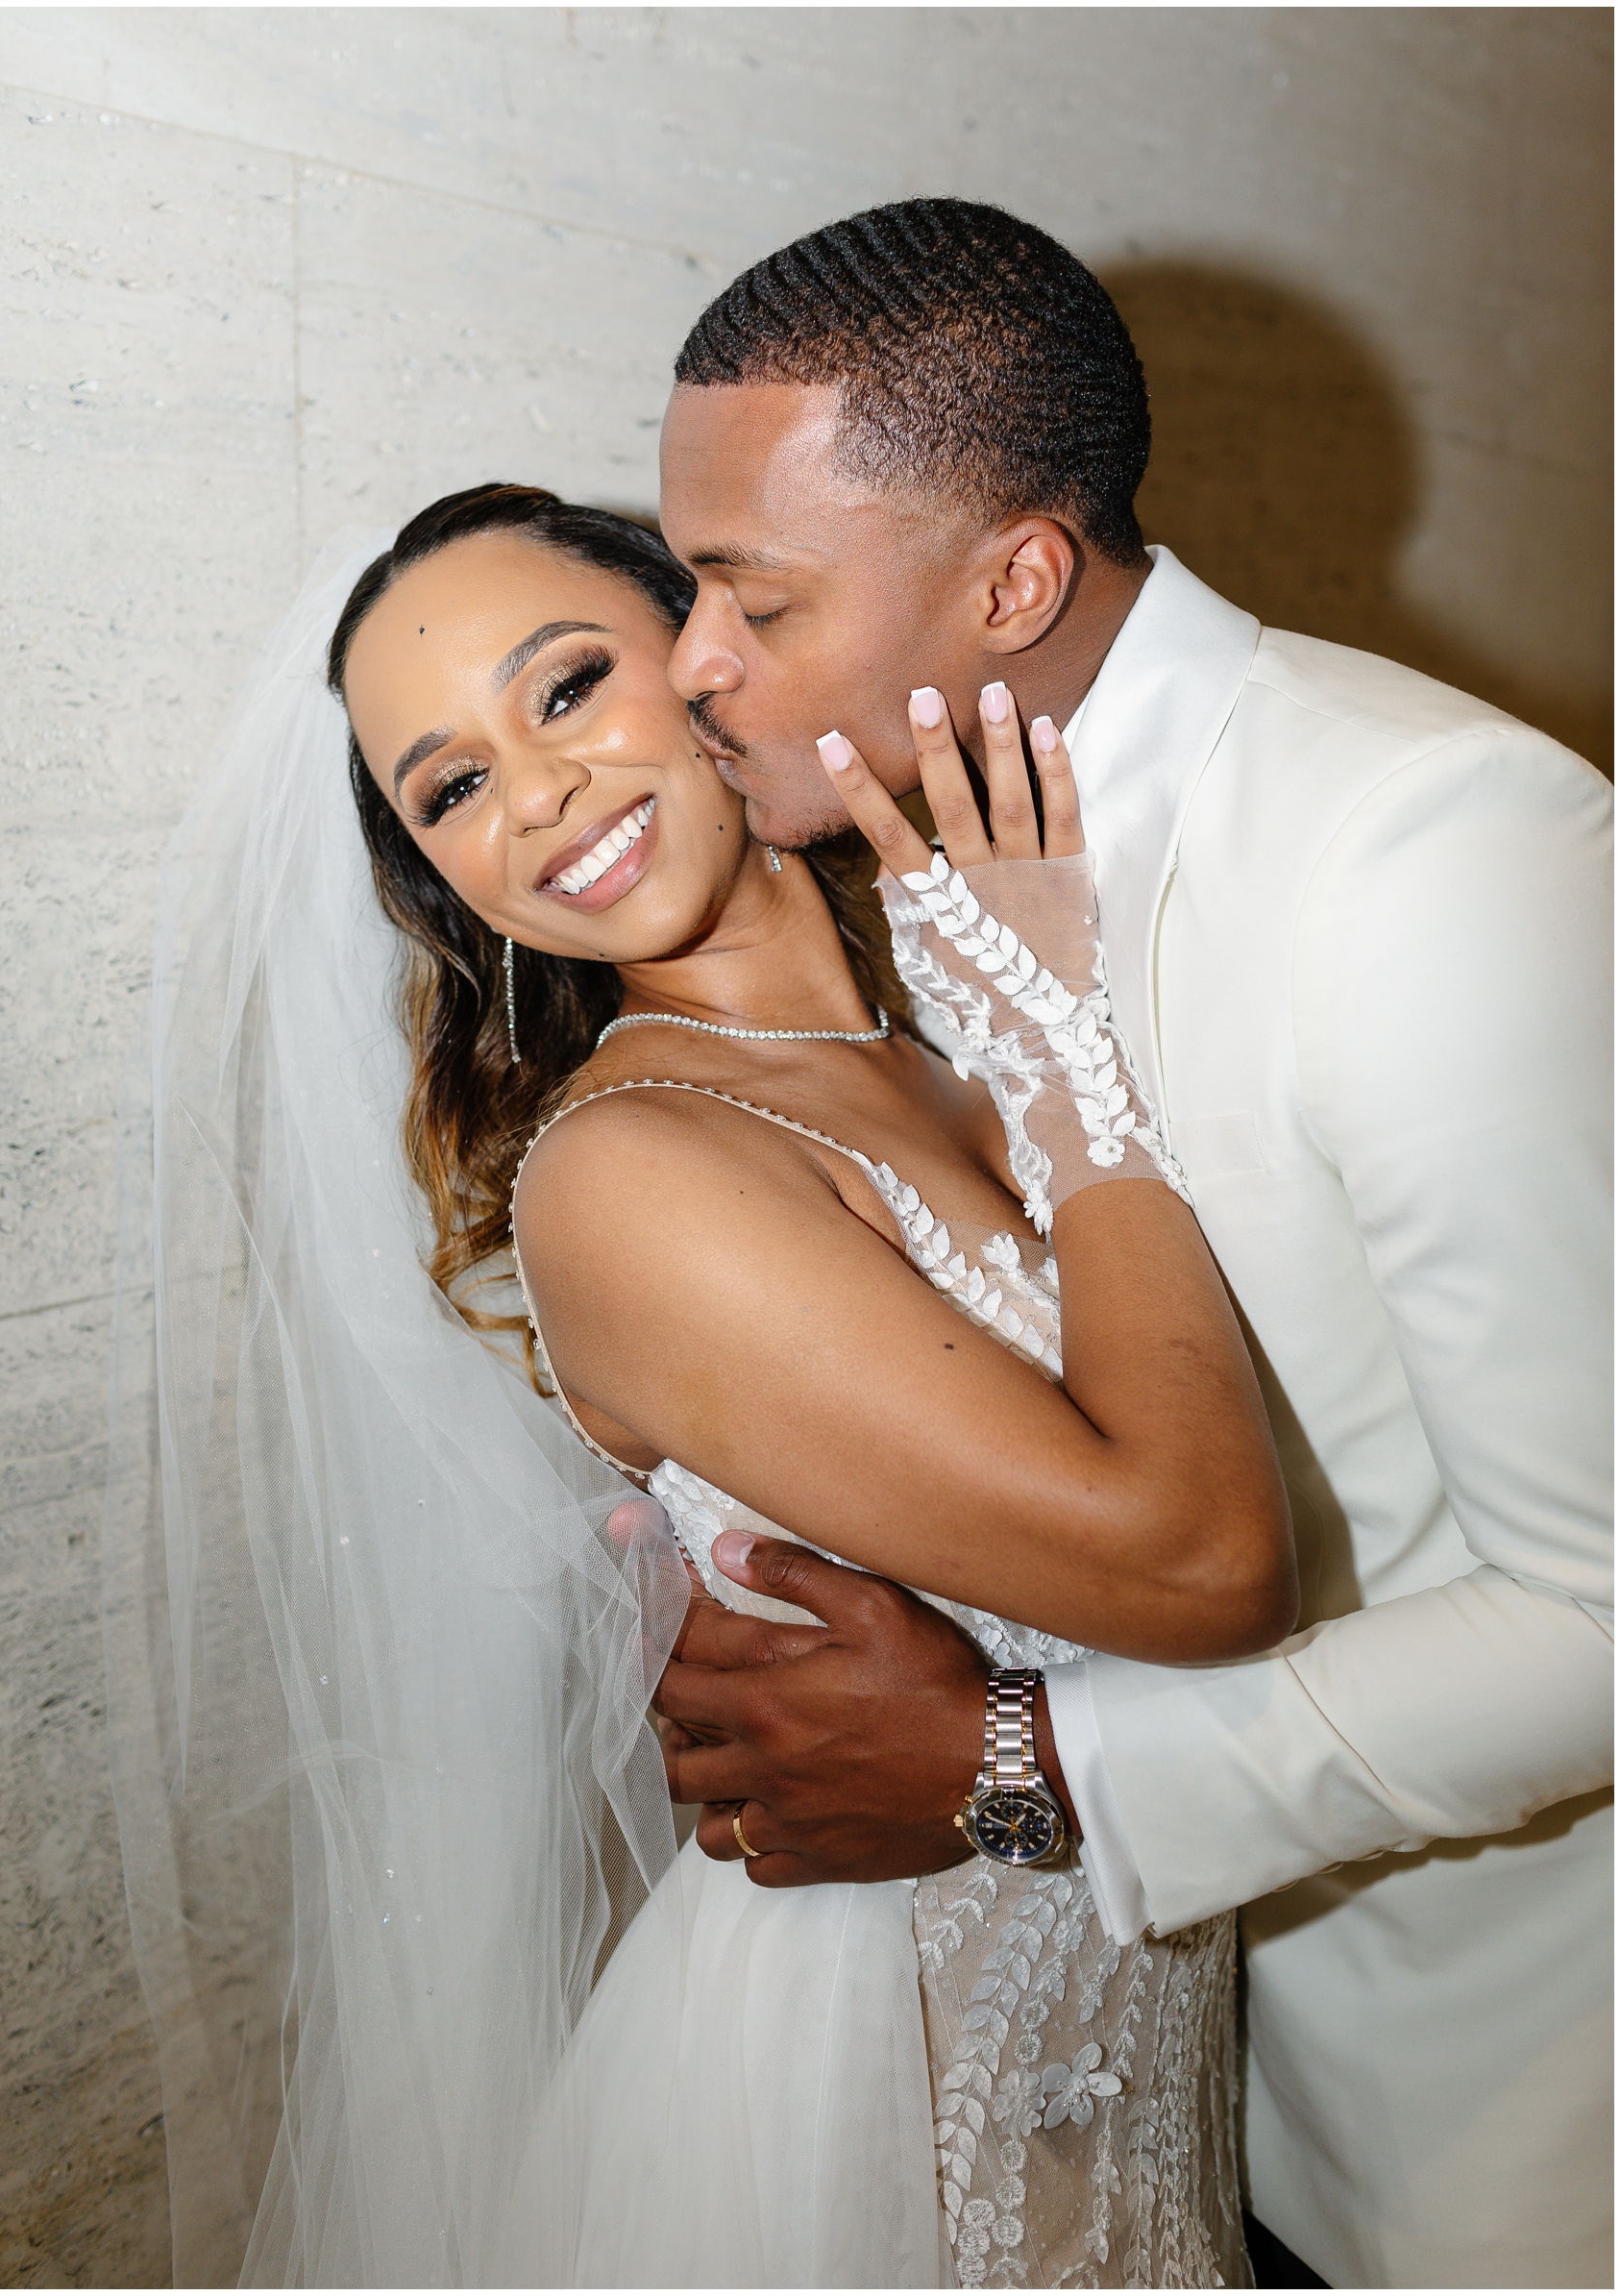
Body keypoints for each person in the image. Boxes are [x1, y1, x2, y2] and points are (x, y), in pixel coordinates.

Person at [645, 197, 1614, 2290]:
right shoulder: (895, 831)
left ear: (1015, 579)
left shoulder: (1428, 853)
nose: (686, 665)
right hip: (1142, 2089)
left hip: (1477, 2138)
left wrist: (1012, 1763)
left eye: (749, 598)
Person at [327, 479, 1294, 2286]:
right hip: (883, 2106)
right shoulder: (632, 1168)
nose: (532, 794)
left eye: (564, 688)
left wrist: (1026, 1021)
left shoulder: (932, 1032)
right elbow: (1203, 1562)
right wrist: (1066, 1050)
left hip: (1161, 2055)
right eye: (449, 786)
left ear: (710, 655)